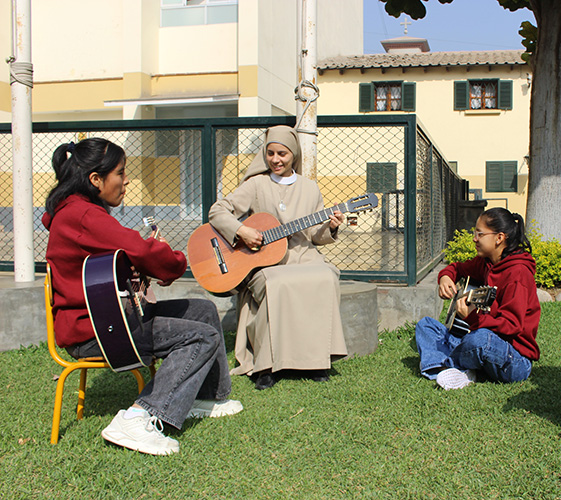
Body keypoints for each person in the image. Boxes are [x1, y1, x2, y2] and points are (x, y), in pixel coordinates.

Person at [43, 138, 242, 456]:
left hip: (109, 318)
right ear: (96, 179)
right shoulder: (83, 215)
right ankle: (140, 416)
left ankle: (207, 397)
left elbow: (120, 256)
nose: (126, 181)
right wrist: (168, 258)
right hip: (95, 331)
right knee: (199, 337)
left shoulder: (79, 211)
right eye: (120, 173)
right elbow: (138, 248)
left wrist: (147, 261)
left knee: (203, 310)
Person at [208, 125, 347, 390]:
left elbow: (315, 236)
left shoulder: (310, 188)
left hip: (304, 256)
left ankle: (316, 361)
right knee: (277, 285)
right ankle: (267, 366)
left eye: (282, 153)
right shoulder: (256, 184)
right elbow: (218, 211)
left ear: (293, 154)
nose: (276, 159)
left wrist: (330, 227)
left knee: (325, 277)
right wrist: (241, 230)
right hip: (266, 262)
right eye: (270, 153)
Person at [414, 207, 540, 390]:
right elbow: (457, 268)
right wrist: (445, 277)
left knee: (480, 340)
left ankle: (447, 365)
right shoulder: (486, 262)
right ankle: (453, 368)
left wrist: (472, 317)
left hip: (514, 359)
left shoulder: (518, 273)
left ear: (499, 238)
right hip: (477, 340)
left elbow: (512, 326)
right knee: (426, 325)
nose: (474, 238)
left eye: (480, 234)